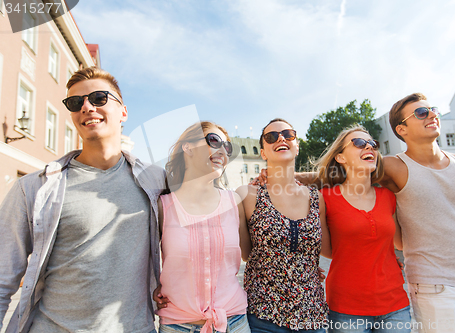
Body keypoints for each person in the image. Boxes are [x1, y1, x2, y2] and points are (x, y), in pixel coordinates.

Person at [0, 67, 165, 333]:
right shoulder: (33, 188)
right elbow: (2, 278)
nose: (87, 107)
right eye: (76, 102)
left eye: (99, 98)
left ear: (123, 112)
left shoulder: (155, 181)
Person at [379, 93, 455, 332]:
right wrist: (286, 178)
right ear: (401, 129)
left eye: (432, 109)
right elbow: (343, 176)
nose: (432, 114)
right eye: (421, 113)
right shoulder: (393, 166)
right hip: (435, 292)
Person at [154, 121, 251, 333]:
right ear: (187, 147)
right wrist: (151, 286)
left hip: (234, 323)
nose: (222, 152)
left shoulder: (235, 202)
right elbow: (143, 259)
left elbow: (252, 255)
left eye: (227, 147)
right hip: (176, 325)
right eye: (214, 141)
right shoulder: (163, 206)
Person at [236, 118, 331, 333]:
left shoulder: (317, 198)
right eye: (271, 137)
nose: (281, 138)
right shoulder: (246, 195)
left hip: (312, 315)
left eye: (288, 134)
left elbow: (328, 250)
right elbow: (246, 254)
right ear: (263, 153)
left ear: (297, 146)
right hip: (263, 316)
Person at [314, 125, 410, 332]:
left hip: (395, 305)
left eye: (372, 144)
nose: (369, 146)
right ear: (340, 157)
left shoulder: (389, 196)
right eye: (359, 143)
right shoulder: (325, 198)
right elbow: (328, 251)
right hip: (346, 308)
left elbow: (401, 243)